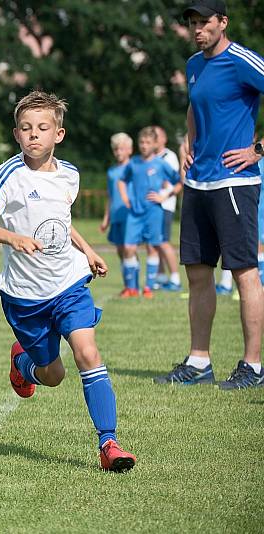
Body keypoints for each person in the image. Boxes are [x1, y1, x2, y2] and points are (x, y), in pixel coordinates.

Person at [0, 91, 136, 472]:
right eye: (27, 129)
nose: (34, 135)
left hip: (68, 283)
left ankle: (108, 443)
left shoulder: (71, 175)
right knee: (54, 375)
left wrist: (88, 250)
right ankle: (24, 363)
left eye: (43, 128)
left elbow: (62, 222)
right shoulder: (8, 176)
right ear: (16, 134)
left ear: (58, 135)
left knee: (87, 353)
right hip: (25, 296)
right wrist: (13, 238)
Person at [154, 1, 263, 389]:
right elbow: (194, 108)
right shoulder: (193, 65)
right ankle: (199, 362)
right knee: (198, 273)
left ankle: (253, 367)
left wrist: (258, 150)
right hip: (198, 184)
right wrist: (188, 140)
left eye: (205, 22)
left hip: (235, 183)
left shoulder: (243, 61)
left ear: (223, 22)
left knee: (244, 273)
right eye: (193, 23)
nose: (198, 29)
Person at [116, 127, 179, 298]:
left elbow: (179, 182)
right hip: (135, 213)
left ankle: (148, 288)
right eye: (142, 142)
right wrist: (125, 198)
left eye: (148, 143)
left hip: (154, 212)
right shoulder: (134, 163)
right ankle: (131, 288)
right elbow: (121, 181)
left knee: (153, 248)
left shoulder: (161, 164)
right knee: (128, 248)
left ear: (154, 144)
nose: (144, 146)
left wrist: (163, 196)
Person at [151, 125, 183, 291]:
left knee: (163, 242)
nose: (152, 140)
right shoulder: (149, 157)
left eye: (155, 136)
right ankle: (161, 276)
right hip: (152, 206)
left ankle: (175, 279)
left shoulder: (168, 156)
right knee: (154, 242)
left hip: (164, 205)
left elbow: (175, 182)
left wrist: (163, 196)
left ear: (163, 139)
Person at [100, 132, 132, 294]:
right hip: (116, 216)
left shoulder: (133, 167)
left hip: (130, 215)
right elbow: (110, 196)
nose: (118, 152)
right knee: (120, 251)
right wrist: (106, 219)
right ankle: (128, 285)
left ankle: (133, 287)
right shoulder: (112, 171)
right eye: (116, 149)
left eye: (122, 149)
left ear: (129, 150)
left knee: (129, 249)